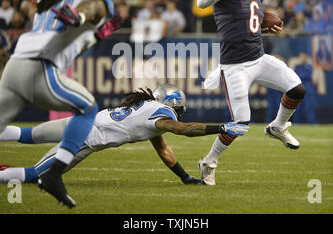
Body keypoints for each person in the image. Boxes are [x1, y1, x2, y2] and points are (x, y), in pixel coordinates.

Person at [0, 0, 121, 207]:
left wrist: (93, 34)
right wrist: (82, 17)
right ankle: (53, 174)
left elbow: (70, 36)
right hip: (40, 66)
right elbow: (93, 6)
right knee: (88, 109)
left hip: (15, 65)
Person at [197, 0, 306, 186]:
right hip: (235, 66)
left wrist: (267, 25)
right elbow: (201, 3)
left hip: (258, 58)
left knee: (297, 89)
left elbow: (248, 17)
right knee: (239, 124)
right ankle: (209, 162)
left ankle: (277, 126)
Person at [0, 84, 248, 188]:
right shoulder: (162, 114)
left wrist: (184, 177)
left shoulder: (147, 109)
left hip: (82, 121)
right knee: (35, 176)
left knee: (26, 134)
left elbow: (163, 150)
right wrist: (223, 127)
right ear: (174, 104)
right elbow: (184, 129)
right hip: (85, 139)